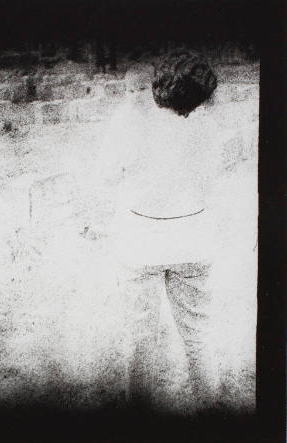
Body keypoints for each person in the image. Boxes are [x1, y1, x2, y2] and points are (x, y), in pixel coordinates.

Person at [88, 50, 258, 411]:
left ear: (159, 83)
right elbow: (216, 175)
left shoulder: (129, 119)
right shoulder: (213, 125)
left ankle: (139, 420)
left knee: (139, 339)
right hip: (195, 236)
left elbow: (105, 174)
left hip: (140, 238)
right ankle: (211, 415)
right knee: (199, 335)